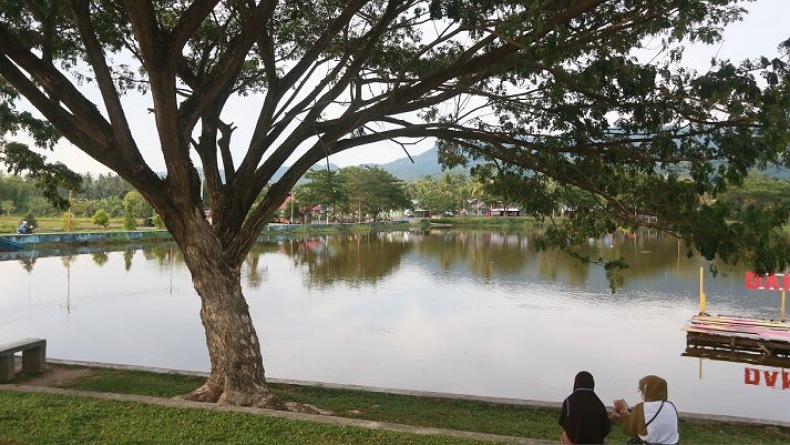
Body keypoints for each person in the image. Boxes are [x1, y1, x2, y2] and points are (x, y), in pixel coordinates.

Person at [611, 375, 679, 445]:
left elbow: (630, 429)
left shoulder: (641, 407)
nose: (640, 392)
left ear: (646, 389)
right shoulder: (671, 405)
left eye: (640, 389)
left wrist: (623, 411)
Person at [558, 371, 611, 444]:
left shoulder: (568, 402)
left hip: (573, 442)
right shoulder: (599, 404)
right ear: (592, 384)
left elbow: (563, 424)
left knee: (563, 434)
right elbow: (605, 428)